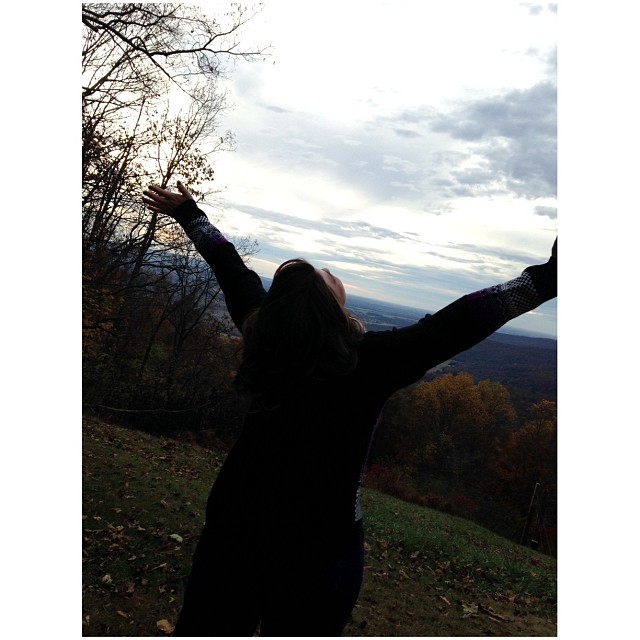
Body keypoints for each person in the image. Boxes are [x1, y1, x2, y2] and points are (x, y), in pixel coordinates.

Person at [142, 182, 557, 637]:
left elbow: (231, 270)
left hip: (233, 529)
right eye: (327, 276)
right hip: (323, 550)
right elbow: (462, 321)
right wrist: (548, 278)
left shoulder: (265, 337)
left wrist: (190, 214)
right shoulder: (369, 363)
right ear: (330, 307)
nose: (329, 272)